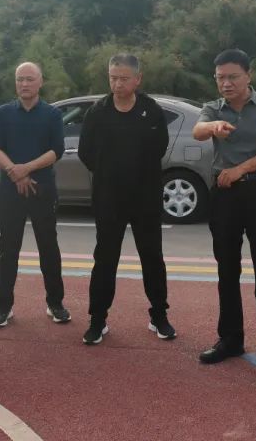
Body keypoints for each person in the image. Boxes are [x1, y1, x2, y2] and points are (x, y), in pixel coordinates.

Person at [194, 49, 256, 386]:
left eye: (233, 76)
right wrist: (213, 126)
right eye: (220, 77)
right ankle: (231, 339)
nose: (226, 83)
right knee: (227, 271)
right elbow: (198, 130)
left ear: (248, 76)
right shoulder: (213, 108)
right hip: (225, 196)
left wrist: (241, 169)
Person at [78, 53, 175, 345]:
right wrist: (110, 174)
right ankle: (98, 320)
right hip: (109, 198)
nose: (117, 84)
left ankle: (159, 316)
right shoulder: (97, 112)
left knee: (152, 257)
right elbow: (85, 152)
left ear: (137, 79)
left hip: (145, 197)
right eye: (113, 78)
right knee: (105, 259)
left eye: (123, 78)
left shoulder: (151, 110)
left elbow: (160, 147)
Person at [0, 62, 69, 328]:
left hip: (42, 190)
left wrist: (27, 169)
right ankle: (3, 306)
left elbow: (56, 150)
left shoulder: (52, 114)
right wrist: (15, 172)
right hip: (10, 191)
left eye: (30, 79)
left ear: (40, 82)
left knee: (49, 248)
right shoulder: (3, 113)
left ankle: (55, 304)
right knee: (8, 250)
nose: (24, 84)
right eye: (20, 79)